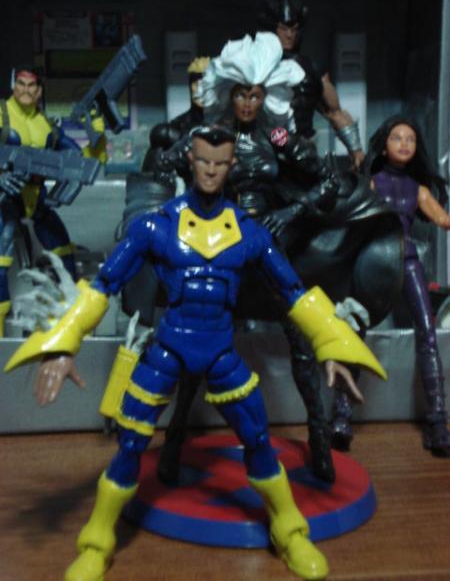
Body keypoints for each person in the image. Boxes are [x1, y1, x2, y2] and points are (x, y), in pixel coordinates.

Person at [5, 126, 386, 581]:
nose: (210, 170)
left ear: (231, 167)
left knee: (258, 439)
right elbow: (104, 283)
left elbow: (292, 291)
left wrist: (331, 343)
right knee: (130, 444)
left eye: (220, 163)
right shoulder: (156, 226)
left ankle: (289, 530)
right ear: (190, 160)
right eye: (204, 160)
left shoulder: (249, 233)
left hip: (221, 352)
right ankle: (96, 541)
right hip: (167, 349)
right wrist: (64, 343)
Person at [155, 31, 344, 485]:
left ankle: (320, 442)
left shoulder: (277, 136)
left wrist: (291, 211)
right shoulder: (209, 136)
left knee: (301, 341)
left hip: (265, 246)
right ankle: (173, 443)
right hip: (218, 249)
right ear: (229, 92)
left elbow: (328, 181)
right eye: (240, 93)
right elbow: (162, 164)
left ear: (266, 96)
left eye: (255, 95)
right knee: (197, 344)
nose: (247, 103)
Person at [331, 115, 450, 457]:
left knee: (428, 333)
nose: (404, 144)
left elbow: (443, 220)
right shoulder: (371, 184)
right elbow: (349, 217)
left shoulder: (418, 190)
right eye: (397, 138)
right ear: (384, 145)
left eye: (410, 139)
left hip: (407, 261)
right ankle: (341, 416)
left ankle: (438, 421)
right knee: (355, 332)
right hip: (373, 263)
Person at [0, 64, 106, 335]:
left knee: (64, 256)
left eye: (31, 85)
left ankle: (67, 323)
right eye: (21, 84)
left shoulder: (46, 124)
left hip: (37, 199)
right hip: (6, 198)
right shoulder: (2, 115)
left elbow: (81, 161)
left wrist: (97, 135)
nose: (26, 90)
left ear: (39, 91)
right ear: (13, 86)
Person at [258, 0, 365, 169]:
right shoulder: (256, 67)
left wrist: (356, 151)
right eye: (284, 28)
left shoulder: (311, 70)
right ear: (273, 28)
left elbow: (335, 112)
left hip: (303, 152)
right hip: (265, 153)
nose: (289, 35)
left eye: (294, 29)